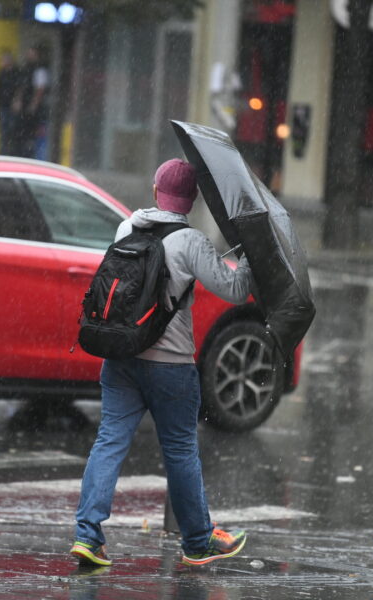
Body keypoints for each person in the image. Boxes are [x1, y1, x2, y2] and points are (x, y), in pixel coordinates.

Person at [71, 158, 253, 568]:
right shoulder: (191, 241)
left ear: (155, 192)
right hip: (170, 366)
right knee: (180, 450)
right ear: (190, 202)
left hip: (121, 356)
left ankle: (88, 536)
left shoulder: (126, 228)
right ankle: (196, 542)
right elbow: (236, 290)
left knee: (109, 441)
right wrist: (248, 255)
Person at [0, 51, 21, 156]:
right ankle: (3, 151)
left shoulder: (15, 72)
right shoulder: (1, 73)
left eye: (4, 60)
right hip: (2, 105)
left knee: (11, 130)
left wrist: (16, 100)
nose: (2, 62)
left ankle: (11, 152)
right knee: (3, 130)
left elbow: (19, 88)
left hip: (11, 106)